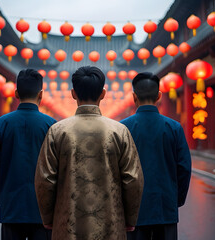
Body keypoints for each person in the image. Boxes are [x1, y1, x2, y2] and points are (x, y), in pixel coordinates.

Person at [35, 66, 144, 240]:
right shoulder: (119, 131)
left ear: (73, 93)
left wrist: (48, 217)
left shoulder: (57, 131)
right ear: (103, 93)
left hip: (67, 224)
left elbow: (46, 179)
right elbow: (132, 179)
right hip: (111, 224)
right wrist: (130, 218)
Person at [0, 69, 56, 240]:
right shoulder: (51, 125)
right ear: (41, 94)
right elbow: (58, 169)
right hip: (42, 209)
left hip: (11, 207)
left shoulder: (2, 124)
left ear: (16, 93)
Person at [120, 72, 191, 240]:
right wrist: (176, 199)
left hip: (133, 209)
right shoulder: (174, 128)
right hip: (165, 205)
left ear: (134, 96)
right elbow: (184, 168)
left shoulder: (122, 128)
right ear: (159, 96)